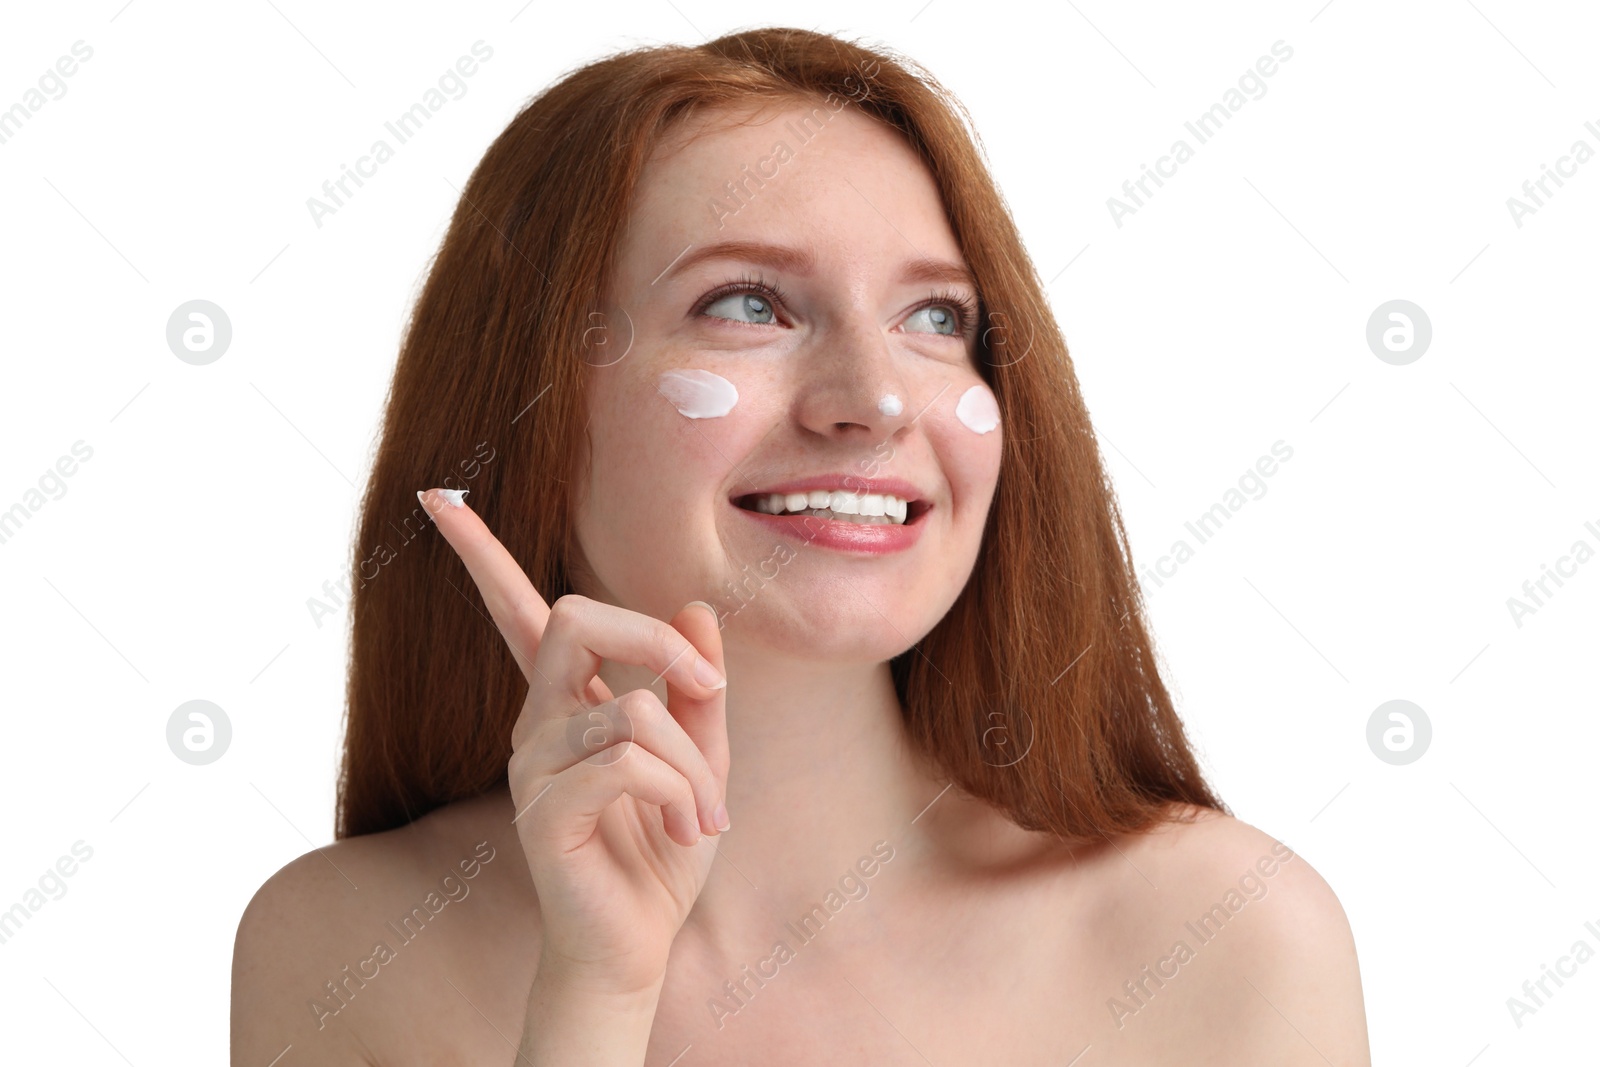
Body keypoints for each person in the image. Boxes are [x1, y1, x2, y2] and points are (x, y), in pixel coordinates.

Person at [232, 26, 1369, 1064]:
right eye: (748, 305)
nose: (873, 400)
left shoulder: (1230, 934)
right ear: (526, 403)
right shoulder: (341, 948)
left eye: (936, 318)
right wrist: (594, 993)